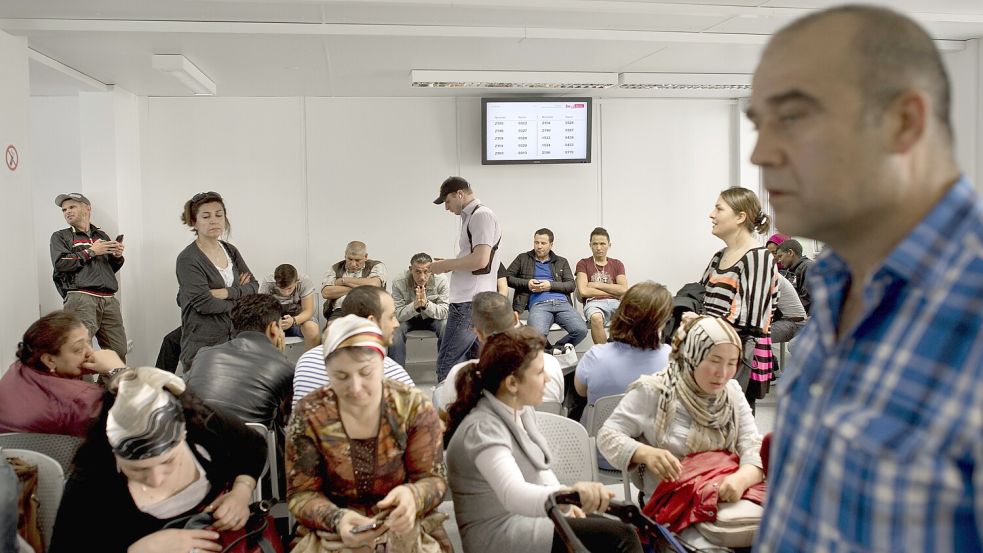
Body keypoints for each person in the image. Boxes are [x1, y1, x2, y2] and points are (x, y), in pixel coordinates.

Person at [747, 6, 983, 551]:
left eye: (794, 117)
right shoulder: (835, 290)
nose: (761, 153)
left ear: (904, 122)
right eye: (760, 124)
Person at [445, 326, 642, 553]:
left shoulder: (520, 410)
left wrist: (566, 504)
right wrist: (566, 497)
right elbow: (513, 494)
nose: (548, 378)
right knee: (621, 537)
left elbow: (539, 473)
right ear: (511, 383)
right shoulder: (482, 428)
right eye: (539, 373)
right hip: (500, 537)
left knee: (620, 531)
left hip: (525, 521)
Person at [50, 366, 266, 553]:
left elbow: (253, 446)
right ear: (113, 452)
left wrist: (241, 492)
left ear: (184, 435)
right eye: (137, 470)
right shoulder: (91, 481)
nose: (155, 479)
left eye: (168, 462)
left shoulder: (205, 425)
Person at [286, 315, 450, 552]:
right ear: (328, 371)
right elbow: (302, 493)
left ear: (382, 363)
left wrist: (413, 495)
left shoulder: (411, 407)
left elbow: (434, 480)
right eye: (341, 376)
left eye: (366, 373)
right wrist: (337, 520)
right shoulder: (310, 414)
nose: (355, 388)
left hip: (405, 524)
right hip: (333, 531)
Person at [596, 316, 764, 506]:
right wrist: (645, 453)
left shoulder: (731, 392)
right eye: (714, 361)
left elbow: (753, 445)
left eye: (732, 363)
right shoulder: (655, 391)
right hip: (670, 505)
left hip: (723, 500)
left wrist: (741, 480)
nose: (723, 373)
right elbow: (607, 436)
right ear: (692, 356)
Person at [701, 187, 778, 411]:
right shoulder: (719, 257)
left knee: (731, 429)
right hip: (712, 352)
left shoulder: (758, 257)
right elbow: (699, 297)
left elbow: (749, 322)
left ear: (740, 217)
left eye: (719, 208)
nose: (711, 215)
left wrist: (697, 324)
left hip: (737, 358)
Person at [433, 291, 564, 413]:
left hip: (483, 433)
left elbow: (447, 420)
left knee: (439, 391)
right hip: (548, 434)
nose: (545, 377)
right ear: (516, 317)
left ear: (478, 333)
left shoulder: (460, 375)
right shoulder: (552, 364)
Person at [0, 312, 127, 437]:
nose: (90, 352)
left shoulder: (20, 366)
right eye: (78, 349)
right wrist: (117, 370)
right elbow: (139, 420)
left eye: (88, 342)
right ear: (49, 360)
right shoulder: (82, 398)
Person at [184, 294, 294, 436]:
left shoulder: (204, 353)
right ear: (273, 328)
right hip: (251, 452)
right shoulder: (286, 367)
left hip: (198, 445)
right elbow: (289, 418)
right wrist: (280, 356)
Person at [430, 177, 503, 383]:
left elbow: (481, 260)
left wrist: (445, 266)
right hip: (471, 300)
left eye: (447, 201)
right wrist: (453, 262)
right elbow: (476, 258)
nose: (446, 207)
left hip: (468, 302)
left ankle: (446, 412)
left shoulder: (481, 216)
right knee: (475, 362)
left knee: (447, 363)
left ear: (459, 194)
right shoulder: (473, 217)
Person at [292, 286, 413, 408]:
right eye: (391, 317)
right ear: (371, 322)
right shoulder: (393, 374)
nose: (396, 324)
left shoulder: (306, 361)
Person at [175, 191, 258, 369]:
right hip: (203, 345)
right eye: (206, 216)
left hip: (236, 340)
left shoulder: (230, 250)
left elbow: (254, 286)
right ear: (194, 222)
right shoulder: (188, 259)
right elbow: (205, 304)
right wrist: (240, 302)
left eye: (219, 215)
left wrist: (226, 293)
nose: (214, 220)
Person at [574, 281, 673, 415]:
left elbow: (580, 392)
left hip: (599, 433)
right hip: (651, 434)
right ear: (661, 321)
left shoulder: (595, 356)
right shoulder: (671, 358)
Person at [50, 192, 128, 361]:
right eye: (64, 210)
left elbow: (107, 269)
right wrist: (92, 251)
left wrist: (116, 256)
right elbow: (61, 263)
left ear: (87, 208)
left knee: (119, 352)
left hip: (108, 299)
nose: (67, 212)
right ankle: (84, 388)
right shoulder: (60, 236)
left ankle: (103, 388)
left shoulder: (101, 236)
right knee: (79, 353)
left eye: (72, 207)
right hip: (80, 298)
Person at [507, 229, 588, 351]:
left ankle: (555, 350)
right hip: (539, 305)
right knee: (536, 335)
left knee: (581, 330)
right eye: (536, 242)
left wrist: (550, 285)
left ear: (551, 244)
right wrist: (527, 284)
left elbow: (571, 285)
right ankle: (553, 353)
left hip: (562, 304)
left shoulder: (561, 261)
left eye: (543, 243)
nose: (539, 246)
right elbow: (507, 278)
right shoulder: (523, 258)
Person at [389, 253, 449, 367]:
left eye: (426, 271)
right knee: (394, 329)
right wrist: (414, 306)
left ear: (431, 270)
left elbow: (445, 312)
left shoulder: (441, 280)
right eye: (417, 271)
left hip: (433, 318)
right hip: (408, 319)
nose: (422, 277)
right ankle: (396, 377)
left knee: (446, 326)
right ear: (410, 269)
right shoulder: (398, 282)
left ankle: (445, 374)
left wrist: (426, 305)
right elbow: (398, 314)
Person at [575, 227, 627, 345]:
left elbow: (623, 289)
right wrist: (613, 290)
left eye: (602, 244)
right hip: (593, 303)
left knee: (632, 315)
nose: (599, 248)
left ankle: (623, 352)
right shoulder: (583, 263)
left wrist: (596, 285)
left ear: (609, 244)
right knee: (596, 318)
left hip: (616, 303)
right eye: (595, 244)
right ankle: (604, 356)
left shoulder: (617, 264)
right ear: (590, 245)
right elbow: (583, 291)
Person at [320, 241, 387, 322]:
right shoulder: (335, 268)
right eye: (350, 259)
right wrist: (361, 288)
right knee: (332, 328)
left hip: (368, 309)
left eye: (357, 260)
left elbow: (374, 285)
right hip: (340, 310)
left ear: (365, 257)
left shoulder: (376, 266)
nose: (353, 264)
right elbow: (326, 292)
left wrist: (343, 281)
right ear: (345, 255)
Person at [260, 263, 320, 350]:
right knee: (258, 331)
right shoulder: (268, 283)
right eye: (282, 289)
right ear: (276, 283)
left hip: (298, 319)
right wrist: (276, 322)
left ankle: (310, 362)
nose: (286, 293)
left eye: (290, 288)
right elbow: (262, 311)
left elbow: (308, 310)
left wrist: (294, 321)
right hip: (275, 320)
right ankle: (272, 362)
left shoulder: (304, 281)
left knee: (312, 328)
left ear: (296, 281)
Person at [774, 239, 813, 314]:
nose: (779, 260)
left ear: (790, 253)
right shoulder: (790, 271)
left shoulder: (808, 267)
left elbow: (806, 300)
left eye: (780, 256)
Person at [769, 274, 806, 345]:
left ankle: (766, 355)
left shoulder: (770, 277)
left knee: (752, 338)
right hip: (785, 320)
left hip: (793, 323)